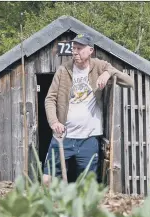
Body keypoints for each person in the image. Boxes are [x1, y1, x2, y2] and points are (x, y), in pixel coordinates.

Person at [43, 33, 134, 184]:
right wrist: (54, 122)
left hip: (89, 138)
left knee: (87, 184)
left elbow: (129, 82)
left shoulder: (99, 66)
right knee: (47, 179)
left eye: (79, 48)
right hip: (63, 136)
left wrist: (108, 73)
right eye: (74, 48)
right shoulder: (63, 70)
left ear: (90, 50)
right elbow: (50, 99)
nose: (75, 52)